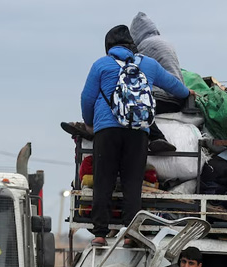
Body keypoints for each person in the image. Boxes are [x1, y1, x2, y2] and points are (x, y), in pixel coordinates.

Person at [81, 25, 191, 247]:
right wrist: (189, 93)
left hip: (107, 130)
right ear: (132, 45)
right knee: (132, 183)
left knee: (104, 182)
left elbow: (87, 98)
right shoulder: (147, 64)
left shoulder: (101, 65)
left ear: (108, 46)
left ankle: (100, 234)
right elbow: (173, 86)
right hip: (138, 130)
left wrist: (91, 122)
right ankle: (130, 234)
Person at [129, 11, 185, 153]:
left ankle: (157, 138)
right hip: (178, 96)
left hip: (164, 96)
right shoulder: (164, 42)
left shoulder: (144, 48)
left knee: (136, 104)